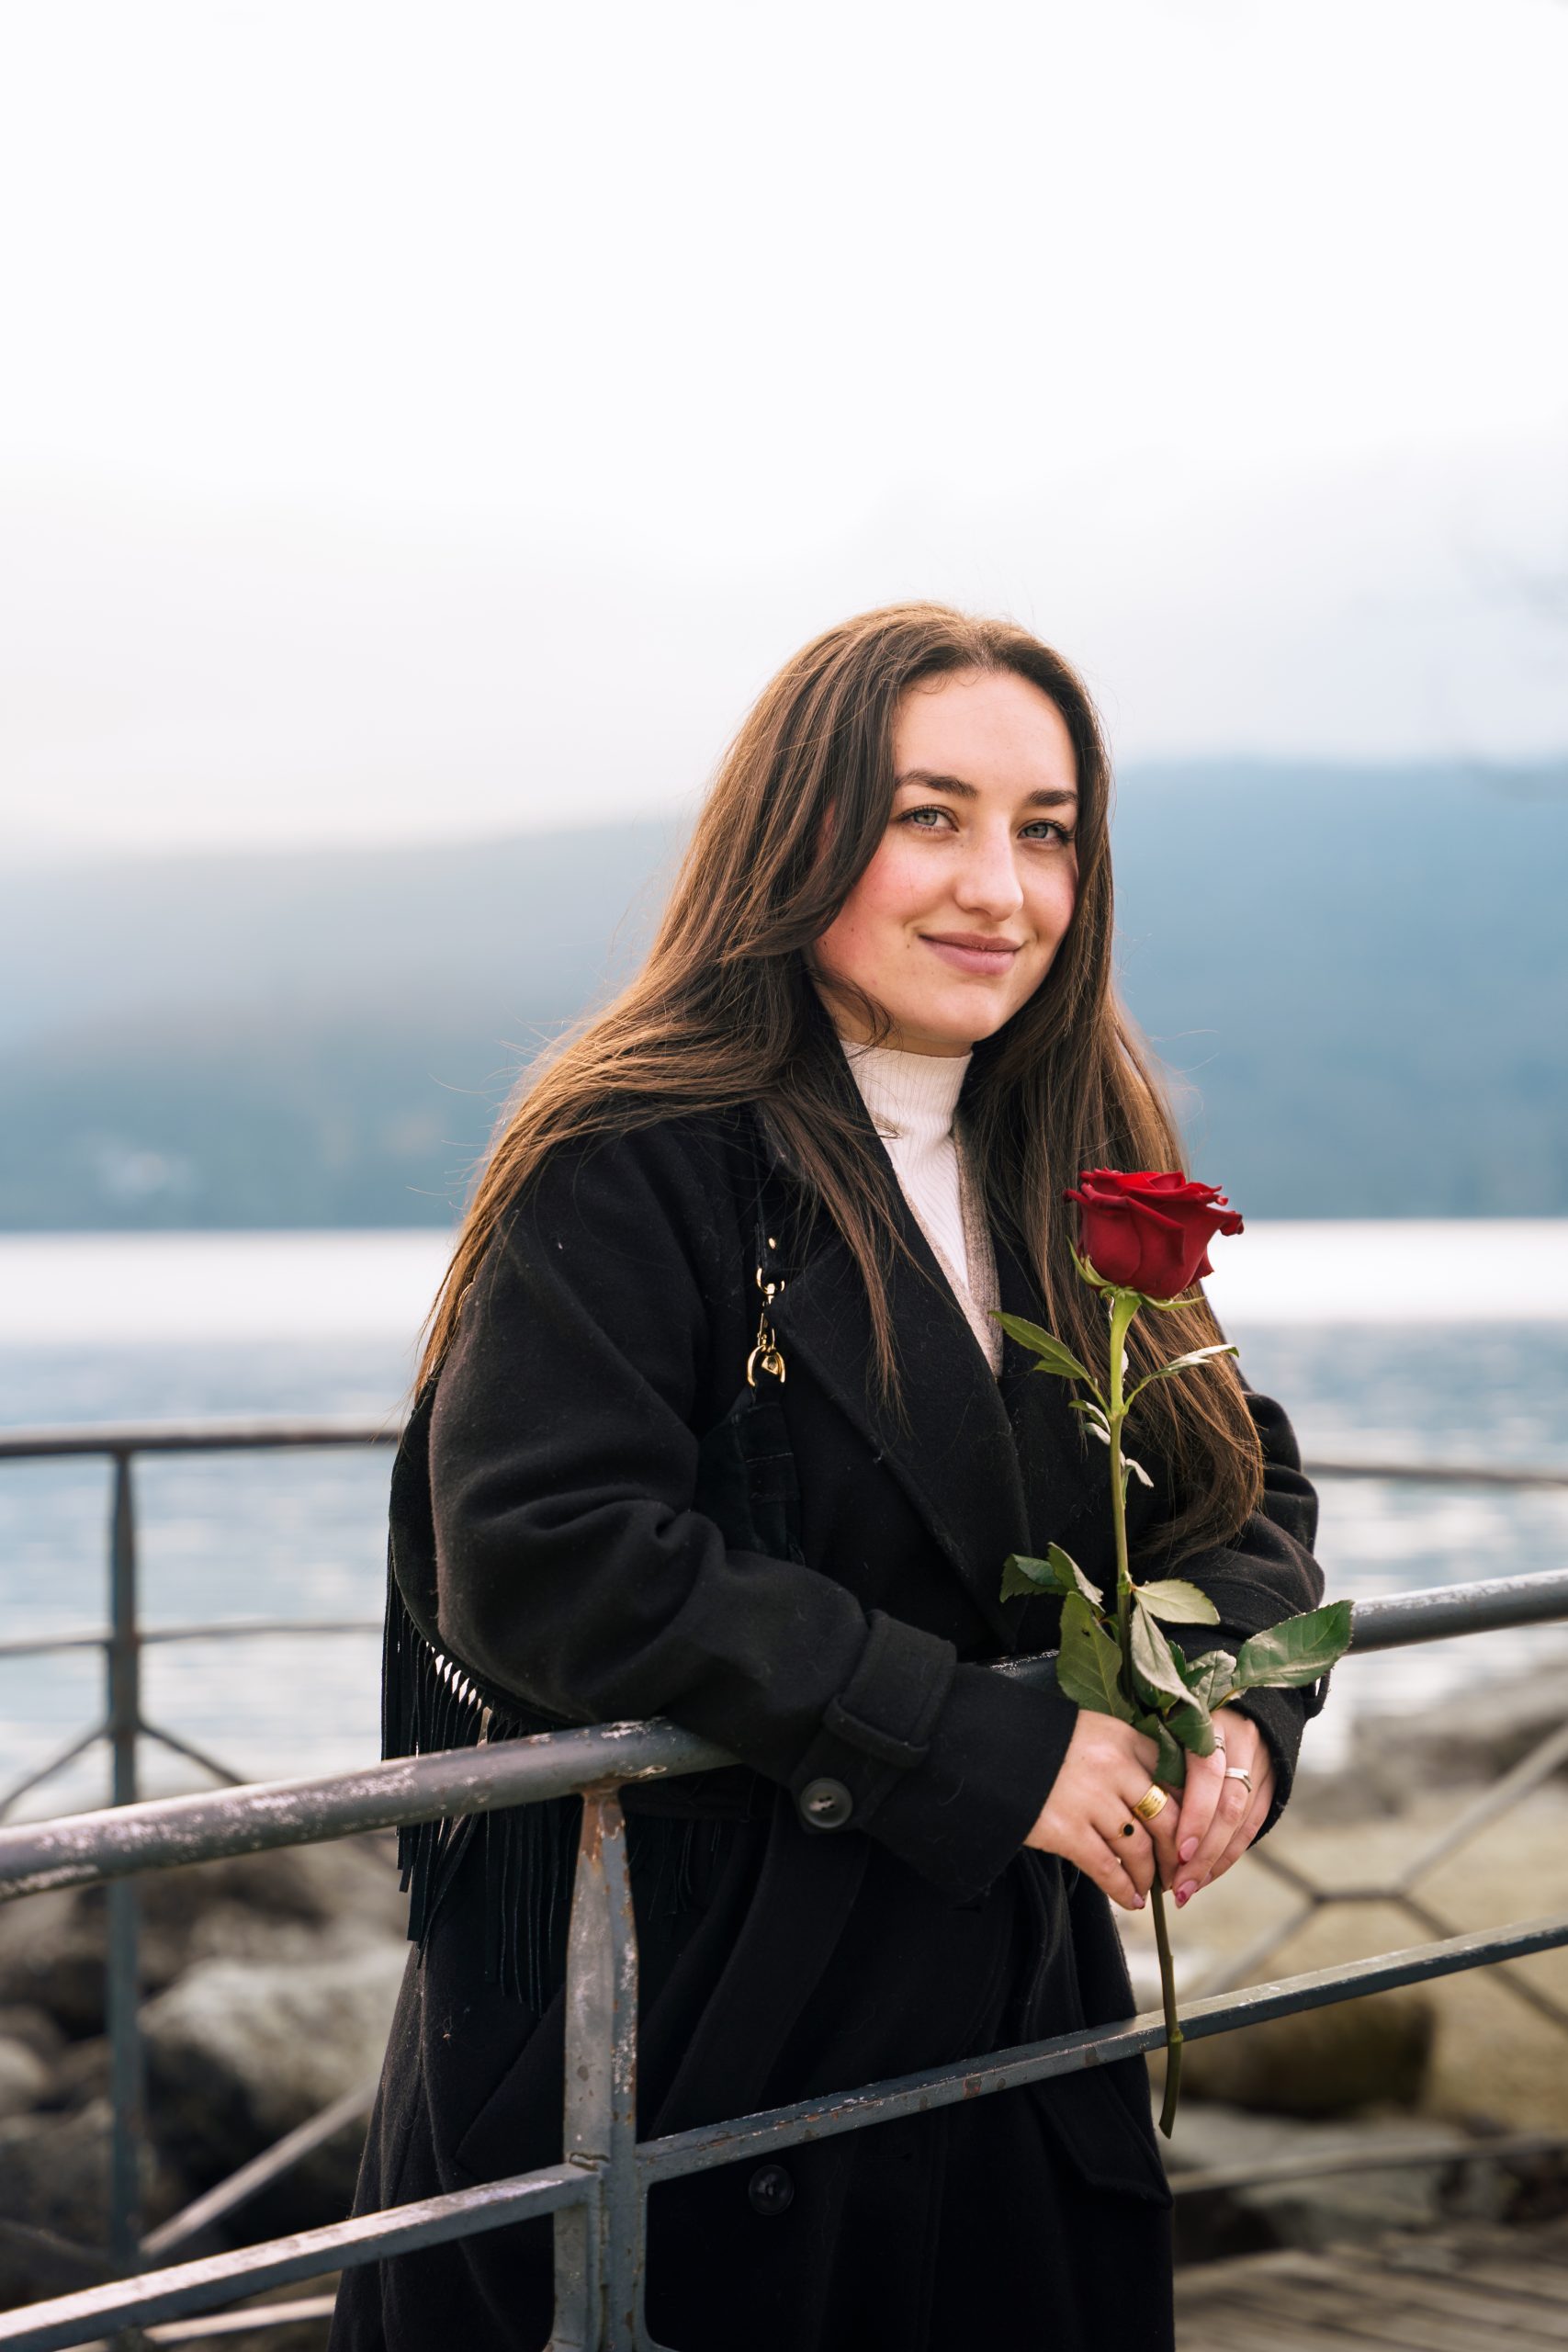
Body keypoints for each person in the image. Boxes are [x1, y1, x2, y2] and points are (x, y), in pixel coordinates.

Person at [330, 603, 1325, 2352]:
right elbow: (546, 1556)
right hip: (691, 2030)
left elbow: (1237, 1497)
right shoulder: (638, 1143)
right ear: (799, 832)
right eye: (927, 815)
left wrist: (1232, 1708)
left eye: (1046, 833)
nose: (997, 892)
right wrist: (982, 1745)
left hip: (1006, 2031)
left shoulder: (1073, 1150)